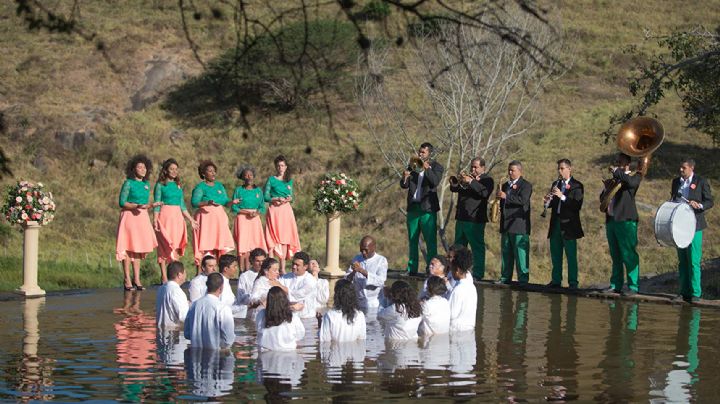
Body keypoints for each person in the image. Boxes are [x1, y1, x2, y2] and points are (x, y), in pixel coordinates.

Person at [116, 154, 161, 291]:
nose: (142, 169)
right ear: (133, 169)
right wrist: (135, 206)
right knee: (128, 248)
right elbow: (122, 202)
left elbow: (144, 204)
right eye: (139, 167)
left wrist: (152, 206)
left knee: (138, 248)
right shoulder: (128, 183)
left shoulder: (146, 185)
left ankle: (137, 278)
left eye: (144, 167)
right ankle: (127, 278)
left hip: (142, 217)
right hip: (130, 216)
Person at [671, 158, 713, 303]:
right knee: (682, 261)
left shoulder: (700, 181)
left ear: (691, 168)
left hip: (695, 226)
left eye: (683, 168)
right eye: (680, 168)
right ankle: (683, 292)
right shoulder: (676, 182)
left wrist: (700, 205)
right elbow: (673, 199)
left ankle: (696, 293)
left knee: (694, 261)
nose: (681, 170)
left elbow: (709, 201)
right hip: (679, 226)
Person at [400, 142, 444, 275]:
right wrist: (404, 177)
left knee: (430, 241)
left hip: (428, 209)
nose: (420, 154)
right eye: (419, 151)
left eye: (423, 152)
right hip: (413, 208)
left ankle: (431, 269)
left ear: (430, 154)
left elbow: (435, 182)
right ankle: (411, 269)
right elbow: (404, 185)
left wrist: (427, 169)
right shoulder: (413, 165)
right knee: (412, 240)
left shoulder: (437, 167)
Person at [153, 158, 198, 283]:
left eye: (176, 169)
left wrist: (191, 220)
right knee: (164, 245)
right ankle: (164, 276)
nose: (174, 171)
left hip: (177, 217)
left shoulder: (178, 186)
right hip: (165, 216)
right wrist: (155, 219)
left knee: (177, 246)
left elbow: (182, 205)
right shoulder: (160, 185)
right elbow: (156, 204)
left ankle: (176, 274)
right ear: (166, 170)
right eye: (171, 169)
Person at [603, 153, 641, 296]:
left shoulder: (634, 176)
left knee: (628, 253)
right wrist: (606, 189)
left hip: (626, 220)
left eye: (620, 162)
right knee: (616, 255)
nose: (616, 163)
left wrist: (618, 172)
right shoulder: (615, 178)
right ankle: (615, 285)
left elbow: (631, 184)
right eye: (616, 161)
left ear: (627, 163)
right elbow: (603, 199)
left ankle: (633, 286)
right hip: (612, 220)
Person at [450, 157, 494, 279]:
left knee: (477, 247)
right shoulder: (467, 179)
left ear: (483, 168)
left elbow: (484, 193)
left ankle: (478, 273)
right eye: (472, 167)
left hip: (475, 220)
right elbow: (454, 188)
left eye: (476, 167)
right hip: (461, 218)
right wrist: (457, 181)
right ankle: (457, 271)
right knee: (458, 247)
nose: (473, 169)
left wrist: (471, 182)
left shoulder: (487, 180)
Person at [543, 159, 584, 289]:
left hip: (569, 225)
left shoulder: (577, 185)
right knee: (556, 254)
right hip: (556, 223)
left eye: (562, 168)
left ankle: (573, 282)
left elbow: (576, 205)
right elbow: (554, 204)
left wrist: (562, 196)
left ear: (569, 169)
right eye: (558, 169)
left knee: (571, 255)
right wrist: (547, 202)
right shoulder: (556, 183)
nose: (560, 171)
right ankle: (556, 280)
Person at [191, 160, 238, 270]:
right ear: (203, 174)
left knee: (219, 245)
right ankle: (201, 272)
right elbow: (194, 202)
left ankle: (218, 271)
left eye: (214, 171)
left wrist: (232, 202)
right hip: (206, 220)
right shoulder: (200, 187)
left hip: (219, 219)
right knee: (206, 246)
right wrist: (207, 203)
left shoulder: (220, 186)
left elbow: (225, 201)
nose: (213, 173)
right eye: (210, 171)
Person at [497, 160, 533, 284]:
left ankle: (523, 279)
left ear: (519, 171)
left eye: (513, 170)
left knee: (521, 255)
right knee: (506, 254)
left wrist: (506, 196)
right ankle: (505, 277)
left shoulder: (526, 185)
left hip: (519, 225)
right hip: (506, 225)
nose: (510, 172)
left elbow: (522, 200)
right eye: (509, 170)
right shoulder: (506, 185)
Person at [264, 155, 301, 273]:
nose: (280, 167)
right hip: (274, 210)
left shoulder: (289, 180)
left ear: (286, 167)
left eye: (282, 165)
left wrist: (289, 199)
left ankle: (283, 268)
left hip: (285, 210)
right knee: (272, 238)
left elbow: (292, 197)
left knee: (284, 239)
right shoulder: (271, 179)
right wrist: (275, 199)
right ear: (276, 166)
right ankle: (270, 266)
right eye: (278, 165)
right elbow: (266, 196)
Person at [184, 273, 235, 349]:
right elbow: (228, 340)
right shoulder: (223, 308)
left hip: (195, 356)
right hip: (216, 356)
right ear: (221, 288)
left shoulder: (194, 305)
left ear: (207, 286)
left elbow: (187, 334)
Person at [231, 165, 267, 272]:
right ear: (242, 177)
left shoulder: (258, 191)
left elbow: (262, 207)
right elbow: (234, 207)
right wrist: (246, 212)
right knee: (243, 245)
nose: (249, 177)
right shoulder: (238, 190)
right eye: (246, 175)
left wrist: (257, 213)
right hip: (242, 218)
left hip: (255, 219)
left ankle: (255, 269)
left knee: (255, 244)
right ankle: (242, 270)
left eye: (250, 175)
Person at [345, 236, 388, 311]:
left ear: (374, 248)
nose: (363, 252)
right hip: (358, 303)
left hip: (374, 304)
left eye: (366, 250)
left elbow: (380, 281)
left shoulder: (381, 260)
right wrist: (353, 272)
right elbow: (347, 279)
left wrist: (362, 271)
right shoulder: (357, 258)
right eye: (361, 250)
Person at [255, 286, 306, 351]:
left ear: (269, 300)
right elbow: (300, 334)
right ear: (285, 300)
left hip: (266, 352)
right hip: (288, 352)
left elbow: (258, 330)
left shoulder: (261, 314)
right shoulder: (292, 316)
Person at [280, 252, 318, 319]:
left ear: (305, 267)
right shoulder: (285, 277)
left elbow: (298, 295)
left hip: (307, 318)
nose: (294, 267)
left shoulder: (311, 280)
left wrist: (281, 287)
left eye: (297, 265)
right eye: (293, 264)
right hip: (288, 317)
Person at [448, 248, 477, 332]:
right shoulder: (472, 287)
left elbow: (451, 314)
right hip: (469, 330)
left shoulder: (458, 290)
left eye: (452, 269)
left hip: (457, 333)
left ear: (457, 270)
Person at [156, 261, 189, 328]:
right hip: (173, 333)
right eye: (184, 273)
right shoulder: (177, 291)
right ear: (179, 275)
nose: (186, 275)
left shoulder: (161, 288)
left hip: (160, 331)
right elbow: (183, 317)